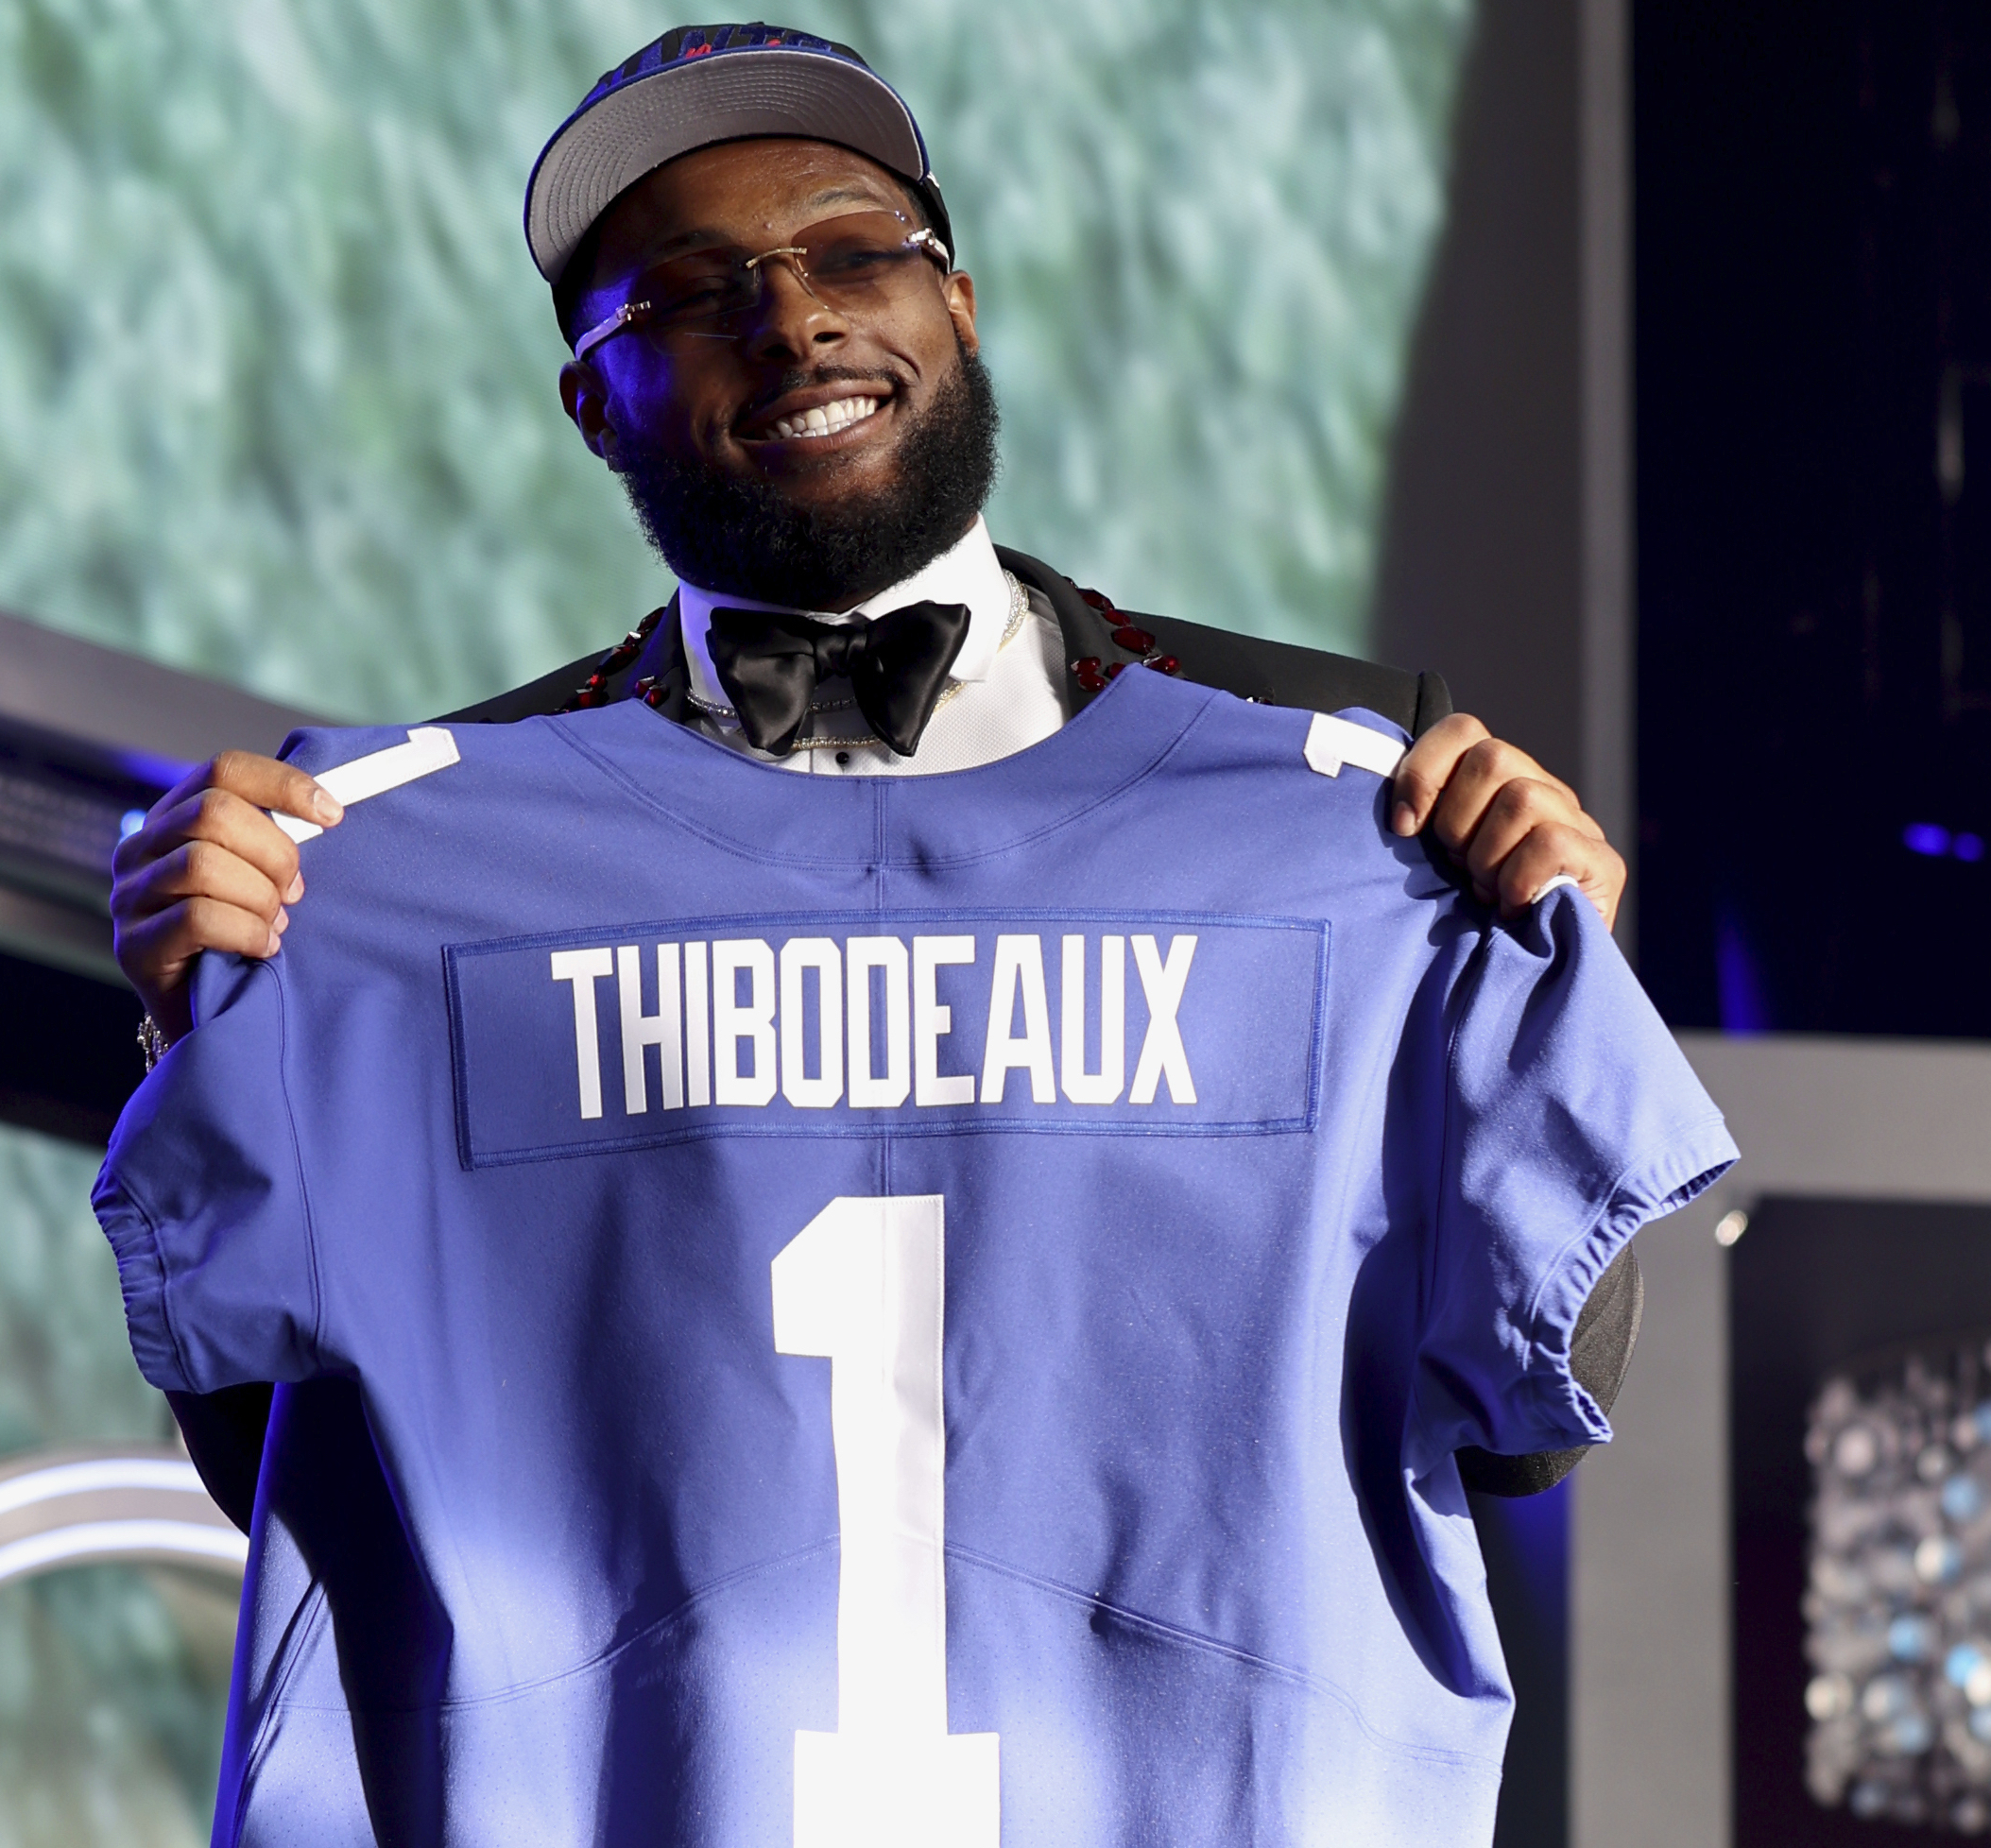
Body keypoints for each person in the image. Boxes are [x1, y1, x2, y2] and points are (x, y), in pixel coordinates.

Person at [109, 26, 1641, 1537]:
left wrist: (1553, 1004)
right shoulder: (406, 859)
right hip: (682, 1784)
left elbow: (1525, 1426)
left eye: (852, 254)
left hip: (1147, 1777)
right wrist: (214, 1038)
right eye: (689, 296)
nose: (792, 322)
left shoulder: (1357, 781)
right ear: (590, 408)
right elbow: (312, 1484)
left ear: (957, 307)